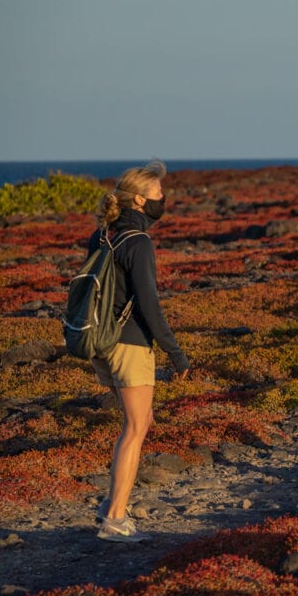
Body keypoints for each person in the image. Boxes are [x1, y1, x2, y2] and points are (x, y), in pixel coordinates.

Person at [90, 160, 189, 542]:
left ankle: (110, 505)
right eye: (158, 194)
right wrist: (175, 352)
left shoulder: (104, 235)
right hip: (129, 344)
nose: (163, 199)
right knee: (134, 428)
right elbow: (149, 304)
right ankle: (114, 517)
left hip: (101, 341)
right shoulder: (139, 243)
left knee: (141, 420)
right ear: (138, 199)